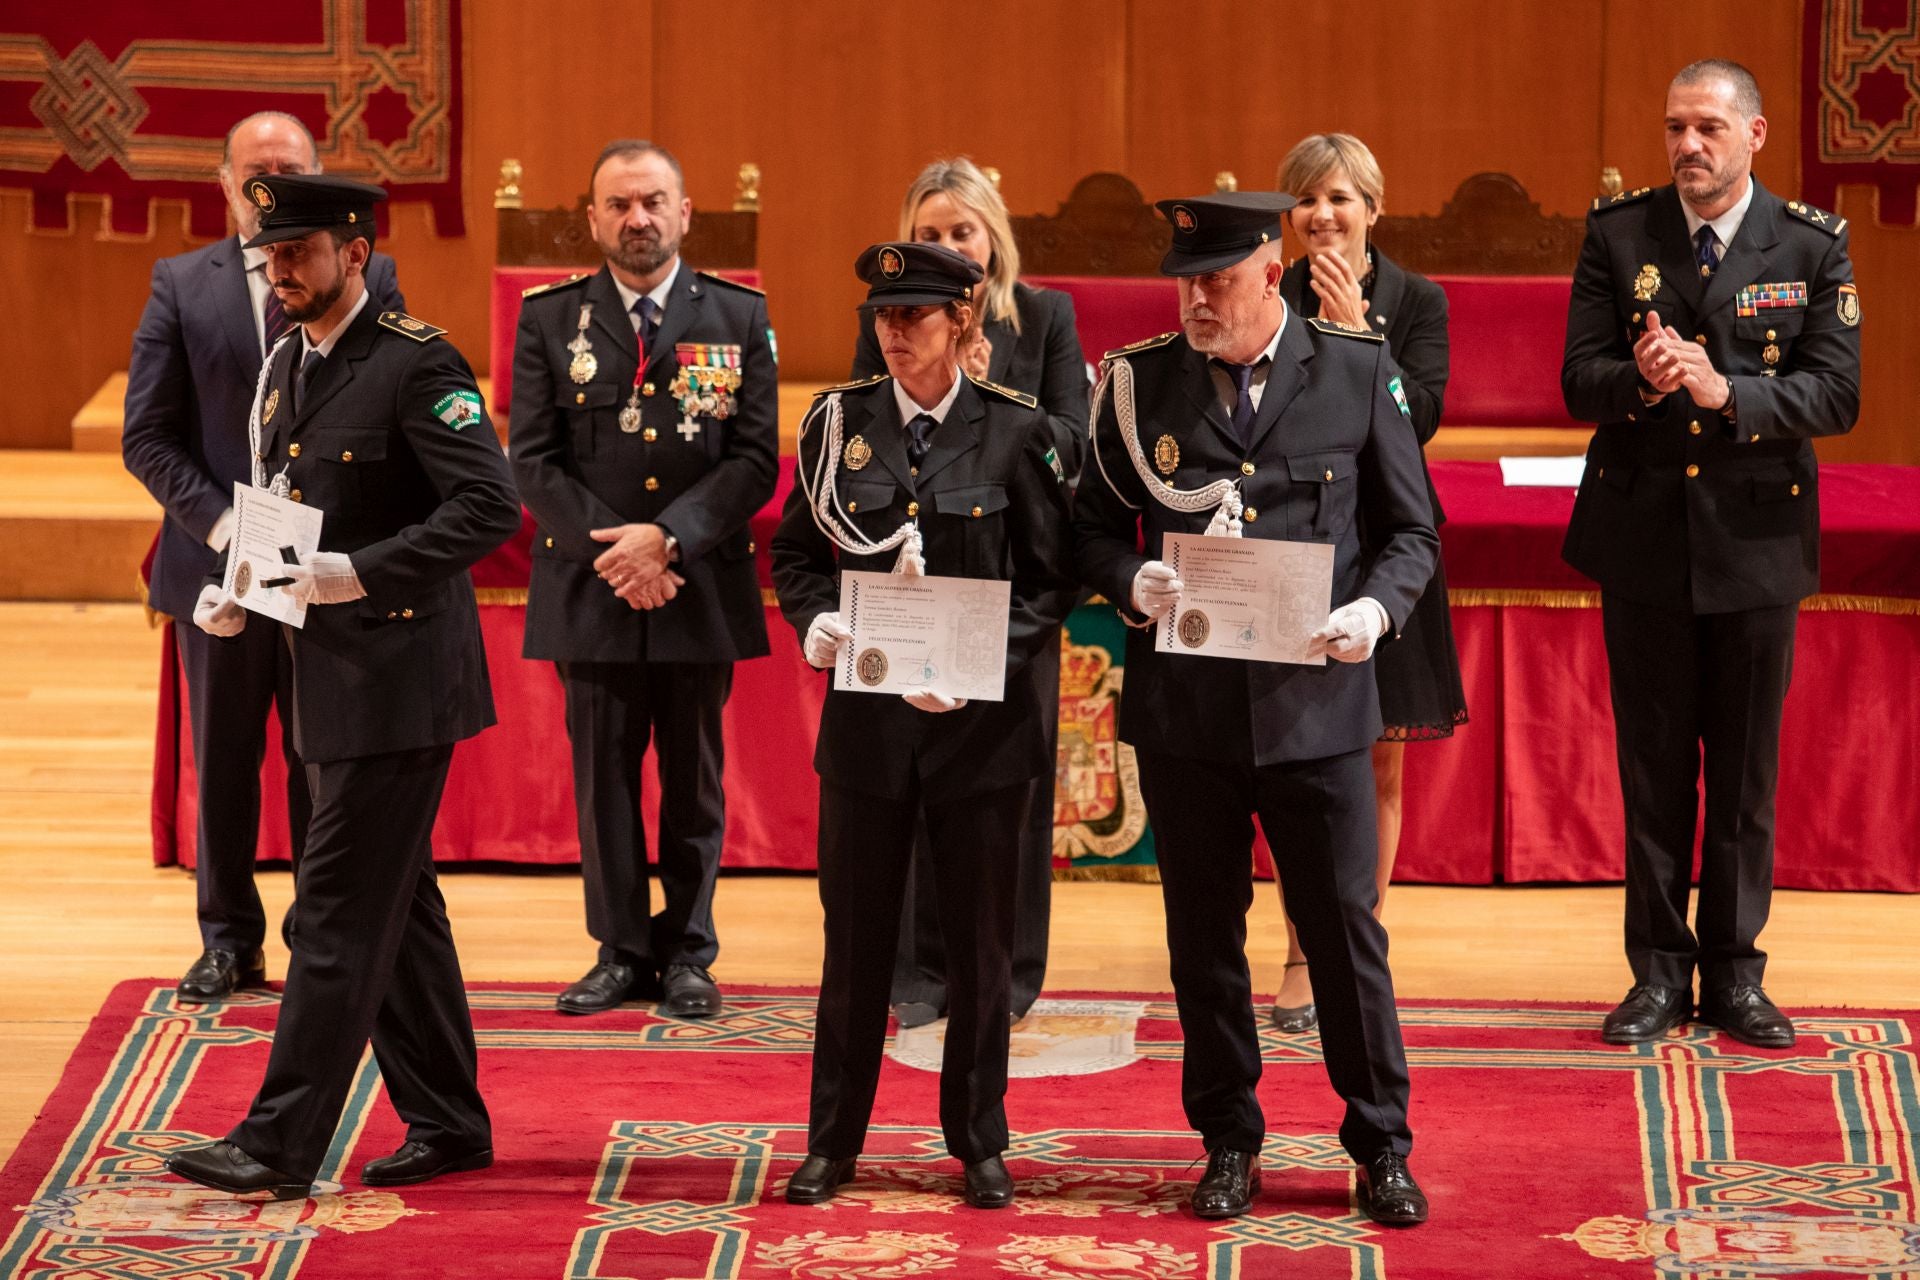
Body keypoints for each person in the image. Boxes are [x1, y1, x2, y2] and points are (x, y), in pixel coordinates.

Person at [1073, 192, 1437, 1225]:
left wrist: (1376, 607)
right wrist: (1128, 580)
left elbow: (1413, 530)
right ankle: (1228, 1136)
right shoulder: (1139, 383)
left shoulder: (1358, 371)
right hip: (1187, 713)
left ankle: (1380, 1142)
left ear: (1271, 275)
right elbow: (1092, 527)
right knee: (1204, 940)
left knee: (1342, 934)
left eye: (1217, 280)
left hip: (1315, 707)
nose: (1195, 299)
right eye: (1184, 280)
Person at [164, 173, 520, 1199]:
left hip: (402, 682)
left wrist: (354, 572)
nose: (282, 270)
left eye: (302, 251)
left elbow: (489, 507)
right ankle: (449, 1119)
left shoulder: (416, 364)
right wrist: (247, 589)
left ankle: (279, 1138)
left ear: (356, 252)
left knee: (328, 912)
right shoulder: (286, 362)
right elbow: (281, 504)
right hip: (324, 676)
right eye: (271, 253)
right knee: (396, 909)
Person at [1561, 59, 1860, 1049]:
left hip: (1756, 544)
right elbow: (1578, 380)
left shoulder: (1812, 245)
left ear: (1756, 136)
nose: (1688, 145)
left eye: (1708, 129)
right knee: (1653, 768)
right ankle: (1655, 974)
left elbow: (1834, 394)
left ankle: (1736, 972)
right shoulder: (1619, 233)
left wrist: (1728, 394)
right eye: (1675, 127)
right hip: (1645, 536)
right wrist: (1642, 383)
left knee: (1740, 772)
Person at [771, 242, 1076, 1209]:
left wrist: (978, 668)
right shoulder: (837, 425)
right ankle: (834, 1141)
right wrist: (815, 620)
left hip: (979, 731)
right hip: (868, 727)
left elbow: (1051, 581)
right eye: (883, 315)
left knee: (981, 948)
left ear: (963, 317)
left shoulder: (1016, 433)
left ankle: (979, 1141)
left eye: (915, 315)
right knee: (855, 943)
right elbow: (796, 555)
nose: (894, 331)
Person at [122, 111, 404, 1001]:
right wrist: (224, 531)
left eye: (290, 171)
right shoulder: (180, 283)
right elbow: (148, 438)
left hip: (319, 569)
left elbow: (382, 406)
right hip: (215, 569)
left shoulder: (373, 274)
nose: (271, 188)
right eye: (256, 174)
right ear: (224, 184)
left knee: (319, 761)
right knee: (227, 757)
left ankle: (318, 935)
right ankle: (227, 939)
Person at [512, 140, 778, 1019]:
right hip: (595, 588)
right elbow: (533, 461)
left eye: (654, 201)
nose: (638, 219)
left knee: (695, 783)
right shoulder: (549, 319)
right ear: (591, 219)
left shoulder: (738, 316)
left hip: (695, 584)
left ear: (685, 211)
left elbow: (751, 462)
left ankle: (691, 950)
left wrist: (666, 541)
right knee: (604, 781)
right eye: (620, 205)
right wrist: (620, 557)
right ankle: (621, 949)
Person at [848, 157, 1088, 1027]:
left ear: (994, 237)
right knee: (909, 778)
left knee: (1005, 792)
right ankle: (920, 974)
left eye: (961, 231)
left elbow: (1074, 447)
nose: (947, 245)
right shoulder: (889, 316)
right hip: (914, 586)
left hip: (1013, 588)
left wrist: (989, 395)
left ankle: (1009, 972)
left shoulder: (1047, 316)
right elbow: (859, 431)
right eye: (929, 232)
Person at [1265, 133, 1466, 1032]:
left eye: (1342, 198)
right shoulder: (1267, 295)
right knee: (1296, 760)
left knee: (1378, 757)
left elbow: (1417, 418)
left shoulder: (1416, 302)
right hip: (1298, 549)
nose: (1323, 215)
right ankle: (1302, 949)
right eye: (1308, 199)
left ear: (1374, 212)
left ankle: (1357, 937)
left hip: (1388, 554)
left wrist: (1357, 336)